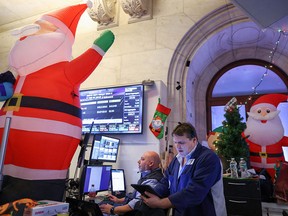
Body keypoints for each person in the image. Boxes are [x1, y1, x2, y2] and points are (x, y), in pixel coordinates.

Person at [142, 122, 227, 216]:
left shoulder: (208, 158)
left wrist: (161, 203)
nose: (178, 147)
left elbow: (194, 193)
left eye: (181, 143)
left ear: (194, 140)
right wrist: (149, 193)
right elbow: (165, 182)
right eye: (175, 142)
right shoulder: (177, 159)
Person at [99, 151, 166, 216]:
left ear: (151, 163)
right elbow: (135, 196)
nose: (138, 161)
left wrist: (112, 210)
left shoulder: (152, 181)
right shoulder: (148, 176)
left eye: (142, 159)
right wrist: (118, 200)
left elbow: (136, 203)